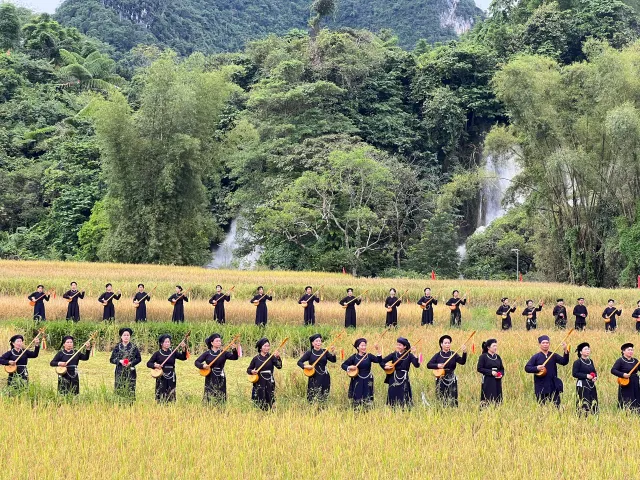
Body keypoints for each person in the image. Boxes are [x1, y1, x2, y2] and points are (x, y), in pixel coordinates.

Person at [524, 335, 569, 407]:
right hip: (541, 386)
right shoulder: (536, 357)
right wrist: (537, 368)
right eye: (543, 343)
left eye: (547, 343)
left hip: (553, 385)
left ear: (549, 344)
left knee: (557, 406)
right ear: (539, 344)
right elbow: (527, 368)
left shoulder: (553, 355)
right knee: (542, 407)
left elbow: (564, 362)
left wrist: (565, 350)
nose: (545, 344)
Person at [194, 333, 239, 404]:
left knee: (221, 393)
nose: (219, 343)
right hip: (210, 376)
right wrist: (203, 366)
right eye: (217, 341)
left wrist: (234, 350)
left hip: (221, 376)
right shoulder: (207, 353)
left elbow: (235, 357)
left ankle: (221, 408)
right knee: (210, 392)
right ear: (212, 343)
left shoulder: (223, 353)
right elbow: (196, 362)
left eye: (220, 341)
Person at [341, 338, 382, 409]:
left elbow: (379, 360)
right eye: (362, 345)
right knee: (357, 394)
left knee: (368, 393)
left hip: (368, 378)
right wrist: (350, 367)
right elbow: (343, 365)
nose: (364, 347)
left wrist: (378, 350)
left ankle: (368, 408)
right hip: (357, 379)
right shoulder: (354, 357)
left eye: (365, 345)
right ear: (357, 347)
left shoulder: (369, 356)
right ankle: (357, 408)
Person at [427, 335, 467, 407]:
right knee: (441, 397)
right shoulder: (438, 355)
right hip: (441, 378)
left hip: (451, 378)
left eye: (449, 343)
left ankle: (453, 411)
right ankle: (441, 411)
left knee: (452, 397)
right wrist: (437, 365)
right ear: (441, 344)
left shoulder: (453, 354)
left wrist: (464, 352)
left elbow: (462, 362)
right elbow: (429, 365)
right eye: (445, 343)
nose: (447, 345)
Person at [146, 334, 188, 403]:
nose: (167, 343)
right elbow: (148, 363)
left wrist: (183, 349)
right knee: (161, 391)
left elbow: (183, 358)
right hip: (161, 375)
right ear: (161, 343)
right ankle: (160, 404)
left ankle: (171, 405)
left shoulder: (173, 352)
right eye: (165, 342)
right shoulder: (157, 353)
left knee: (171, 391)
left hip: (171, 375)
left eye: (168, 342)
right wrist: (155, 365)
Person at [380, 337, 419, 408]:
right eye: (397, 344)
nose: (398, 346)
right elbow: (382, 361)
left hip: (404, 377)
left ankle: (404, 408)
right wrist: (385, 367)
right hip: (393, 376)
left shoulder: (409, 355)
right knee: (392, 393)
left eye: (400, 345)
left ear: (405, 346)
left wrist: (415, 353)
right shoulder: (394, 354)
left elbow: (416, 365)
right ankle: (392, 407)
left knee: (404, 393)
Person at [297, 334, 336, 404]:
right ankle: (313, 409)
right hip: (314, 376)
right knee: (313, 394)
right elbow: (299, 362)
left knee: (324, 393)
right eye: (316, 341)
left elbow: (333, 360)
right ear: (312, 343)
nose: (319, 343)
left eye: (320, 341)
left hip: (324, 376)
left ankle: (323, 408)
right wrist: (306, 366)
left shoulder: (325, 351)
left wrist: (333, 352)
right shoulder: (309, 353)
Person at [247, 337, 282, 410]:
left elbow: (279, 366)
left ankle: (271, 411)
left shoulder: (271, 357)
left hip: (269, 381)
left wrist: (278, 358)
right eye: (265, 346)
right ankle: (260, 412)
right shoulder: (256, 358)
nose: (267, 348)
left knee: (270, 397)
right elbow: (248, 369)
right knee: (259, 397)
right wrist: (252, 371)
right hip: (259, 381)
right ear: (260, 348)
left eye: (268, 346)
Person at [109, 327, 142, 400]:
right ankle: (119, 403)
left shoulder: (134, 347)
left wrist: (131, 363)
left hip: (130, 370)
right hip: (119, 370)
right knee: (119, 387)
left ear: (130, 336)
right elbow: (111, 359)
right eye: (124, 335)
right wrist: (120, 361)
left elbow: (139, 359)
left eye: (128, 335)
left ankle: (130, 404)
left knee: (130, 387)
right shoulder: (117, 347)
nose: (126, 337)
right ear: (121, 336)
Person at [611, 343, 640, 412]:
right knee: (627, 398)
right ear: (623, 351)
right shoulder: (620, 361)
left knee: (637, 396)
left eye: (632, 350)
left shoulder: (635, 361)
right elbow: (613, 370)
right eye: (629, 350)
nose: (631, 351)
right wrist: (623, 374)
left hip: (635, 382)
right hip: (625, 383)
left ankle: (637, 412)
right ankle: (626, 412)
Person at [572, 342, 598, 415]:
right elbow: (574, 374)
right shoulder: (577, 362)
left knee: (593, 400)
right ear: (580, 352)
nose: (588, 351)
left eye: (588, 349)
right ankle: (583, 415)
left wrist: (595, 377)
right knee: (583, 400)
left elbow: (594, 371)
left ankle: (594, 415)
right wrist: (586, 376)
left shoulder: (590, 361)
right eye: (585, 349)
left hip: (591, 384)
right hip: (582, 384)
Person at [476, 338, 504, 407]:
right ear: (488, 347)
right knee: (488, 397)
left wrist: (501, 374)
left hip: (497, 380)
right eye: (494, 346)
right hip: (488, 380)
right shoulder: (483, 357)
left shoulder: (497, 357)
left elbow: (502, 368)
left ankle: (497, 409)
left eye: (496, 346)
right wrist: (491, 372)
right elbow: (479, 368)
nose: (495, 348)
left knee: (498, 397)